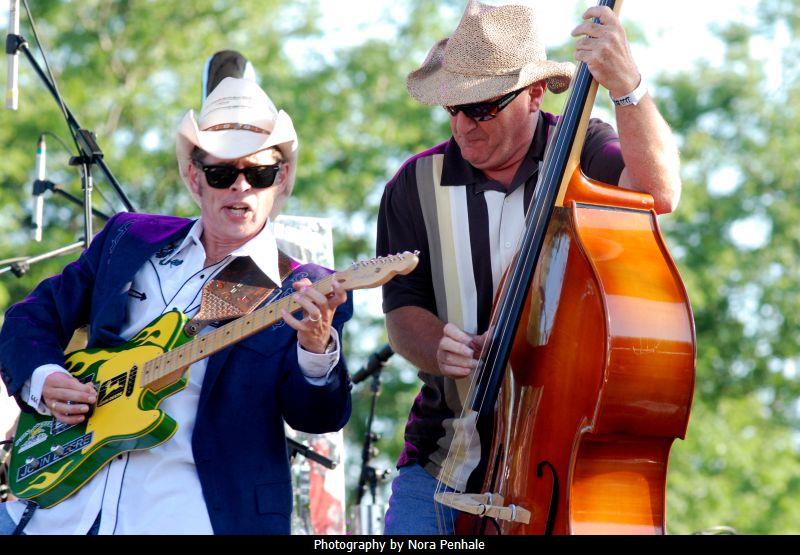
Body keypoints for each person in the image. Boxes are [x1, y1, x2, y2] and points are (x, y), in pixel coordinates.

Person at [377, 1, 681, 535]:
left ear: (535, 93)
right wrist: (438, 347)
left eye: (483, 108)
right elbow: (404, 310)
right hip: (440, 460)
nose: (463, 125)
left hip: (559, 464)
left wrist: (628, 86)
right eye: (453, 107)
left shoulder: (586, 152)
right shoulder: (413, 184)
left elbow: (658, 192)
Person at [0, 76, 353, 534]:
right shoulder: (129, 236)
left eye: (260, 173)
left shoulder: (301, 286)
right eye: (223, 173)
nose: (241, 188)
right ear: (194, 176)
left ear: (281, 177)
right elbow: (30, 318)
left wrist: (315, 351)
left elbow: (316, 415)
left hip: (188, 515)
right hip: (54, 512)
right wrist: (47, 380)